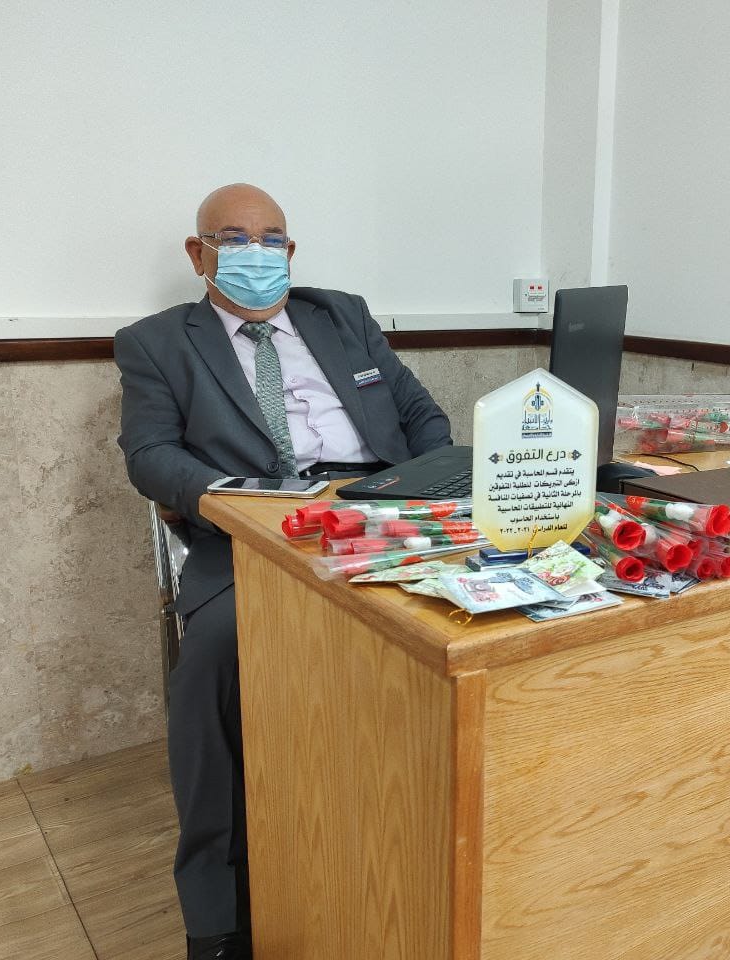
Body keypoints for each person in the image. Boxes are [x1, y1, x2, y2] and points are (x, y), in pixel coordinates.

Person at [114, 183, 452, 960]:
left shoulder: (343, 317)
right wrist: (235, 503)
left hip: (381, 518)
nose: (255, 252)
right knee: (216, 662)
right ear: (198, 253)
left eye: (271, 239)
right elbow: (150, 455)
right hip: (254, 534)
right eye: (234, 238)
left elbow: (420, 415)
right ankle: (220, 914)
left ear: (291, 252)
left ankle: (409, 848)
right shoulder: (156, 342)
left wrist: (429, 489)